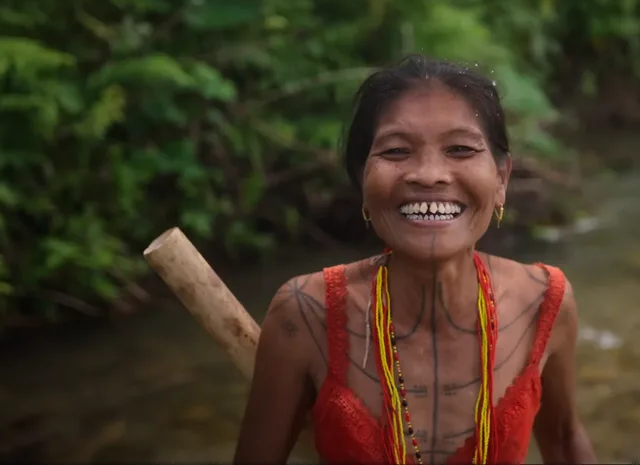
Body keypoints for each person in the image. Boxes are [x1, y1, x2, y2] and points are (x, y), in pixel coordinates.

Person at [232, 55, 597, 464]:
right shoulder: (305, 315)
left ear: (501, 179)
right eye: (396, 150)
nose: (428, 174)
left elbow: (564, 441)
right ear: (362, 182)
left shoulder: (545, 303)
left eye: (460, 149)